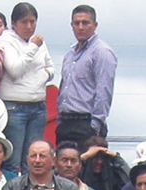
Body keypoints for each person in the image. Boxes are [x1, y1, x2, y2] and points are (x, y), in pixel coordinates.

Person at [0, 4, 54, 174]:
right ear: (14, 23)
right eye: (24, 22)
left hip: (38, 106)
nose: (29, 26)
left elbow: (51, 68)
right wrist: (33, 47)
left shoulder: (39, 42)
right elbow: (15, 70)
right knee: (13, 161)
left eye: (33, 21)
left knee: (33, 159)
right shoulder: (6, 41)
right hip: (15, 107)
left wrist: (40, 77)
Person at [56, 5, 117, 151]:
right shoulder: (70, 55)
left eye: (85, 23)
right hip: (65, 123)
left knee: (85, 165)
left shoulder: (101, 52)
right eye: (76, 23)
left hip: (86, 123)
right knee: (63, 164)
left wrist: (95, 126)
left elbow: (104, 91)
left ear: (95, 25)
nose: (81, 27)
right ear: (71, 25)